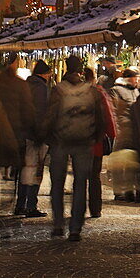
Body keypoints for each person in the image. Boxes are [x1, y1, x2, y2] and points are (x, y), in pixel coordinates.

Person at [42, 54, 103, 241]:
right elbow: (100, 117)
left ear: (66, 67)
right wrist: (95, 137)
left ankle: (58, 224)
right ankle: (75, 228)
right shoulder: (91, 90)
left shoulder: (58, 90)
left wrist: (45, 137)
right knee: (80, 185)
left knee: (58, 184)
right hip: (84, 142)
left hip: (61, 142)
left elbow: (50, 116)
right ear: (80, 69)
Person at [0, 53, 36, 215]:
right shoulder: (20, 85)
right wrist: (34, 131)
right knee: (19, 169)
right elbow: (28, 111)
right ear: (15, 63)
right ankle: (17, 203)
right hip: (16, 134)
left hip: (1, 132)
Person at [20, 60, 53, 217]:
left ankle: (20, 204)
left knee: (26, 170)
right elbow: (40, 113)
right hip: (36, 136)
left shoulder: (27, 85)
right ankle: (31, 206)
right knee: (35, 171)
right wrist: (41, 135)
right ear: (44, 73)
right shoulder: (41, 88)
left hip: (24, 134)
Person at [85, 67, 116, 218]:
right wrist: (112, 134)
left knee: (79, 176)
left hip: (76, 141)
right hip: (94, 141)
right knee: (94, 176)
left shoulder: (70, 92)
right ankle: (95, 208)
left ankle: (77, 209)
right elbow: (107, 115)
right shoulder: (97, 92)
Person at [110, 67, 139, 201]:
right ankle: (120, 191)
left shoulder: (136, 91)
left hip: (132, 131)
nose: (137, 80)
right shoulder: (117, 91)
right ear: (130, 78)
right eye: (135, 78)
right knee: (120, 162)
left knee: (129, 162)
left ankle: (127, 190)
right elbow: (114, 110)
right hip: (122, 130)